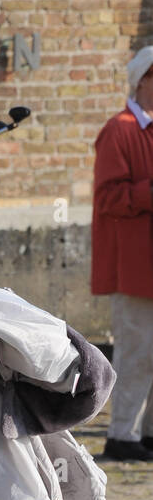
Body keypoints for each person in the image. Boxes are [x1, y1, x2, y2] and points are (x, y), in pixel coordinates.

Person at [91, 45, 153, 463]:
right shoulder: (120, 128)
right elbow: (109, 197)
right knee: (136, 351)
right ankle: (122, 434)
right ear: (142, 80)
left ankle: (146, 433)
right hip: (135, 264)